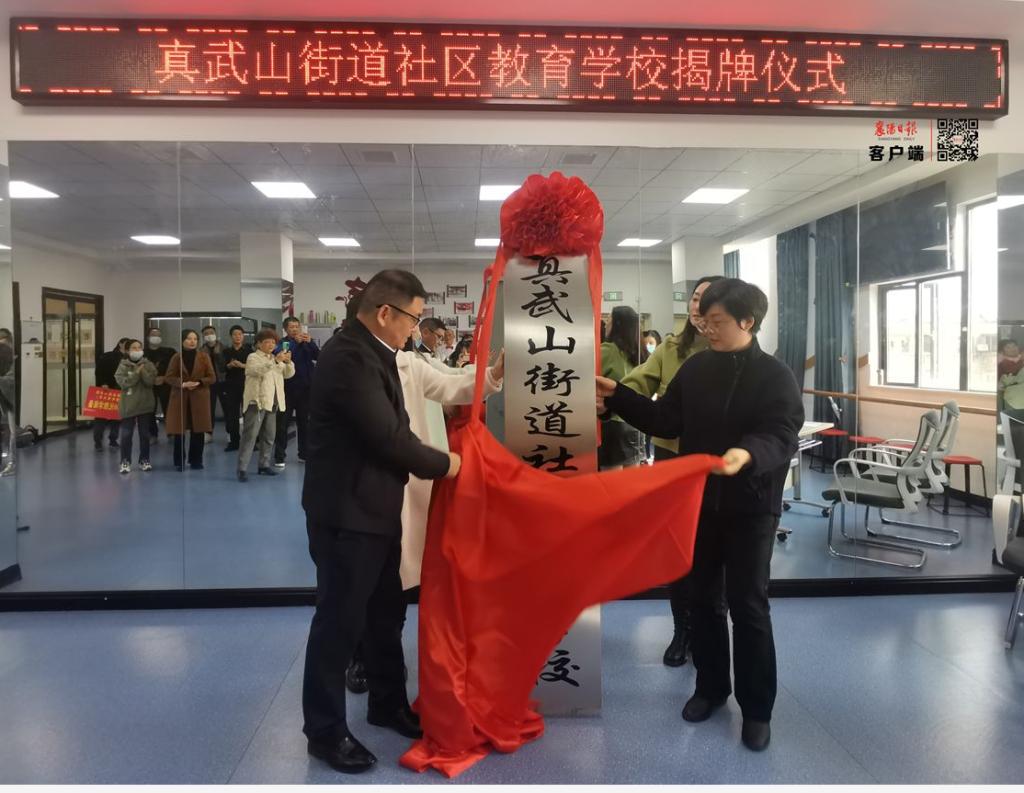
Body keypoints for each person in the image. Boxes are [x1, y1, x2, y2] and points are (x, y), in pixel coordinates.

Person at [598, 278, 803, 752]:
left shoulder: (775, 376)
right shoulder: (696, 368)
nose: (707, 330)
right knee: (703, 599)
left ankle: (757, 709)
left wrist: (746, 454)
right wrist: (619, 396)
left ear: (747, 322)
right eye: (703, 321)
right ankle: (711, 688)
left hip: (752, 505)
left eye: (716, 322)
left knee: (748, 605)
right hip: (699, 502)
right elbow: (667, 420)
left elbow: (781, 432)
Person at [301, 269, 461, 774]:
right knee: (340, 623)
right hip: (347, 514)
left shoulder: (381, 352)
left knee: (385, 614)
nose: (416, 328)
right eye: (413, 318)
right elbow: (389, 438)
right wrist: (451, 466)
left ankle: (387, 702)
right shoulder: (349, 357)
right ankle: (324, 732)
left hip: (376, 509)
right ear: (385, 312)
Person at [620, 275, 722, 668]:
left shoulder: (730, 350)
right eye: (695, 298)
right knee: (677, 550)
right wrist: (612, 397)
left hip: (715, 464)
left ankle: (710, 630)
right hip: (673, 460)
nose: (699, 306)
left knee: (713, 552)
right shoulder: (670, 348)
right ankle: (682, 630)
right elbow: (635, 385)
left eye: (707, 299)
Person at [237, 329, 294, 481]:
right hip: (257, 402)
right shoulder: (253, 357)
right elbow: (256, 371)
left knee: (269, 436)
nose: (271, 345)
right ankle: (242, 468)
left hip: (273, 403)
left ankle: (264, 465)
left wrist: (288, 362)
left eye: (273, 342)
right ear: (259, 344)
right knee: (250, 436)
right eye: (267, 342)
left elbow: (288, 374)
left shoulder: (276, 358)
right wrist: (275, 361)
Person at [598, 306, 645, 471]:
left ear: (618, 324)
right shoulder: (640, 353)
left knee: (612, 482)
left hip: (612, 423)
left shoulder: (608, 350)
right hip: (636, 423)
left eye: (609, 319)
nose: (606, 324)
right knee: (632, 480)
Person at [164, 329, 215, 471]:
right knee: (179, 431)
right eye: (189, 338)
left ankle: (196, 461)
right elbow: (169, 377)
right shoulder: (177, 357)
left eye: (195, 339)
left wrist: (199, 382)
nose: (192, 341)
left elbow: (212, 377)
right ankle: (179, 462)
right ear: (182, 341)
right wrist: (182, 383)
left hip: (199, 397)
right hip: (181, 397)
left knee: (198, 430)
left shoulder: (204, 357)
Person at [273, 316, 318, 468]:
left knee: (304, 423)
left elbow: (317, 355)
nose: (295, 329)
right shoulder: (282, 343)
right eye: (291, 327)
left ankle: (304, 454)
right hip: (287, 389)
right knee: (282, 424)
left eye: (296, 326)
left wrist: (310, 342)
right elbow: (281, 355)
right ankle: (279, 456)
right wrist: (295, 343)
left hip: (305, 388)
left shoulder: (307, 341)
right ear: (286, 329)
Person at [114, 339, 157, 474]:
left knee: (144, 434)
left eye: (139, 347)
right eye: (134, 348)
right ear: (127, 351)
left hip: (145, 404)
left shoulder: (148, 364)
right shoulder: (123, 365)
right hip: (128, 405)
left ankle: (144, 460)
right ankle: (125, 461)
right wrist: (136, 373)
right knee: (126, 434)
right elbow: (124, 383)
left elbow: (150, 381)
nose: (137, 350)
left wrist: (142, 371)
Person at [93, 338, 129, 452]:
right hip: (107, 389)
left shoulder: (129, 358)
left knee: (117, 417)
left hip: (121, 390)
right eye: (126, 344)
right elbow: (99, 371)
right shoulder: (108, 356)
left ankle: (113, 440)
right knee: (101, 417)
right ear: (120, 344)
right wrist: (103, 383)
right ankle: (98, 441)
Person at [222, 325, 251, 451]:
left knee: (248, 415)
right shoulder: (226, 352)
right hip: (231, 386)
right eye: (235, 334)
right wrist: (229, 365)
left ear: (243, 336)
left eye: (240, 334)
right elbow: (221, 368)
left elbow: (254, 367)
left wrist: (241, 365)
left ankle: (250, 442)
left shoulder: (249, 351)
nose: (237, 337)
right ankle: (234, 442)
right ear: (231, 336)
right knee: (232, 415)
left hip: (247, 385)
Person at [143, 327, 176, 442]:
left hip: (166, 384)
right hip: (149, 385)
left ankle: (171, 432)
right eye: (153, 335)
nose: (156, 337)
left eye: (158, 335)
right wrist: (151, 379)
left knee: (169, 409)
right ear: (148, 337)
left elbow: (175, 367)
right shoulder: (143, 353)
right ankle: (153, 434)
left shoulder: (169, 352)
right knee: (150, 410)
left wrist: (165, 378)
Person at [202, 325, 228, 440]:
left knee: (227, 409)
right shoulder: (201, 350)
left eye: (211, 333)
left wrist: (218, 355)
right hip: (209, 383)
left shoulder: (224, 348)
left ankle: (230, 433)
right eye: (206, 334)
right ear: (203, 336)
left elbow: (225, 366)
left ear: (215, 334)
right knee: (208, 410)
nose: (209, 335)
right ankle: (208, 433)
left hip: (223, 382)